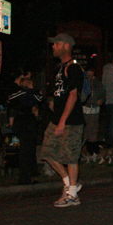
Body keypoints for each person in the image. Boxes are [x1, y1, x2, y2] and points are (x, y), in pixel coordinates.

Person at [41, 33, 85, 207]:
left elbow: (73, 96)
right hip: (57, 119)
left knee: (70, 157)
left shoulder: (73, 68)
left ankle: (72, 195)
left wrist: (62, 121)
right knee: (47, 152)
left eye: (56, 44)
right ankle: (69, 184)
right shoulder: (61, 68)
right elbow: (61, 93)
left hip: (71, 121)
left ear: (66, 46)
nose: (53, 47)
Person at [6, 68, 43, 185]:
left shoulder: (24, 94)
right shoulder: (25, 93)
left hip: (26, 121)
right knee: (27, 150)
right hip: (26, 122)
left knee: (28, 149)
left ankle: (29, 175)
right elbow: (39, 98)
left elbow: (39, 99)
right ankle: (25, 177)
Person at [81, 68, 105, 142]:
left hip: (94, 110)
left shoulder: (97, 83)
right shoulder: (82, 82)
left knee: (93, 129)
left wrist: (101, 100)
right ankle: (84, 144)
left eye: (91, 75)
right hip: (83, 110)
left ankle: (92, 145)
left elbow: (103, 94)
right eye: (88, 75)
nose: (89, 77)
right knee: (84, 130)